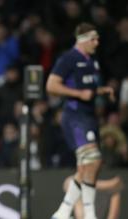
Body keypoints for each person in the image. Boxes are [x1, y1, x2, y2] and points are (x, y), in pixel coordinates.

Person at [46, 22, 115, 219]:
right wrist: (78, 93)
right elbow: (52, 86)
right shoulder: (68, 59)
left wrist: (102, 90)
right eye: (93, 39)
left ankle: (63, 212)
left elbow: (88, 89)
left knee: (88, 166)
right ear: (83, 40)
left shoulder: (92, 61)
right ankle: (89, 214)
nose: (97, 42)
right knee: (93, 159)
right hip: (74, 116)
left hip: (90, 117)